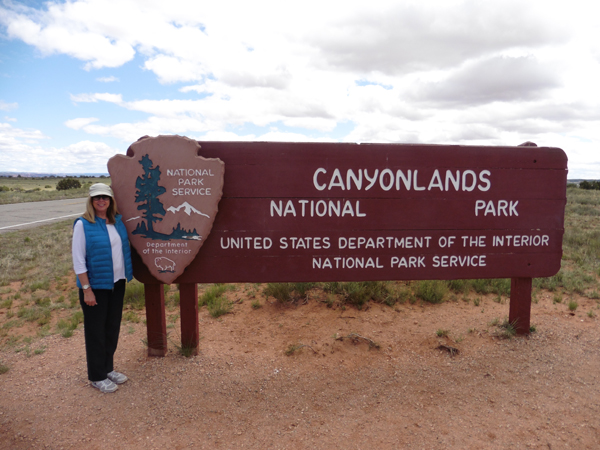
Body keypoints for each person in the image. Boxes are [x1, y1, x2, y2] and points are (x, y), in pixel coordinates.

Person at [72, 183, 133, 393]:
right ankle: (96, 376)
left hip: (117, 282)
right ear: (91, 200)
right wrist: (86, 289)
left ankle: (107, 369)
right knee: (96, 331)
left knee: (111, 328)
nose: (101, 200)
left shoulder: (117, 222)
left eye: (104, 197)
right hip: (95, 286)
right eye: (97, 197)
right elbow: (78, 260)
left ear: (110, 200)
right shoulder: (83, 225)